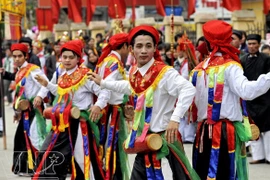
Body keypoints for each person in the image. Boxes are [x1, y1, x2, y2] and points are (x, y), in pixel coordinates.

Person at [88, 25, 199, 180]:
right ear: (131, 49)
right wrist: (104, 83)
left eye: (148, 46)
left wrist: (175, 119)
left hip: (167, 136)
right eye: (139, 46)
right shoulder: (134, 71)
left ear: (155, 48)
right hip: (145, 138)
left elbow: (188, 89)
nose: (144, 51)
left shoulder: (164, 72)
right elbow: (130, 87)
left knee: (182, 176)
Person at [191, 20, 270, 180]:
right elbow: (246, 91)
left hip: (202, 132)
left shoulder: (199, 68)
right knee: (223, 173)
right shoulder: (230, 66)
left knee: (203, 171)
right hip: (223, 132)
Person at [33, 40, 110, 180]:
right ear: (60, 58)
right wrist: (47, 85)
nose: (67, 60)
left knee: (82, 160)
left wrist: (98, 105)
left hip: (80, 124)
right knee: (47, 152)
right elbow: (60, 92)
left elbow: (104, 91)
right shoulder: (62, 75)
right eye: (65, 57)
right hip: (62, 122)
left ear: (78, 59)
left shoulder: (86, 75)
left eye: (71, 57)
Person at [1, 44, 48, 176]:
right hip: (25, 110)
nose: (16, 59)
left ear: (26, 56)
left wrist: (39, 96)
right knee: (21, 138)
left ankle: (41, 167)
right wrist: (17, 112)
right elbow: (19, 94)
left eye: (19, 56)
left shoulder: (33, 70)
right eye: (14, 56)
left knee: (35, 138)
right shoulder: (19, 71)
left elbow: (46, 85)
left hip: (35, 109)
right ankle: (26, 168)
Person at [94, 33, 130, 179]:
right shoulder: (113, 63)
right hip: (112, 111)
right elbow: (107, 86)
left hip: (109, 109)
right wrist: (100, 104)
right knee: (112, 146)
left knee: (111, 145)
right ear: (125, 46)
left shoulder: (108, 60)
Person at [240, 34, 270, 164]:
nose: (252, 46)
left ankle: (269, 156)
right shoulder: (242, 60)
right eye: (249, 44)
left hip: (266, 99)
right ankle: (258, 156)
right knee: (252, 126)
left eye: (254, 44)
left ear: (259, 44)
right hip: (250, 99)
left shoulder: (266, 59)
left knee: (268, 129)